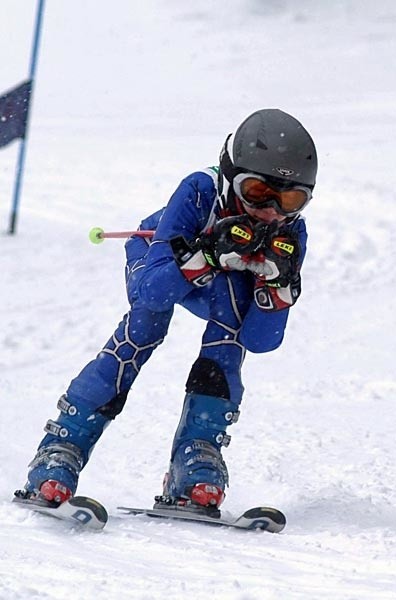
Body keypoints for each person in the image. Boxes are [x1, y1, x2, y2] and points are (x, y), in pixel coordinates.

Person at [16, 108, 317, 513]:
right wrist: (208, 254)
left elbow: (262, 341)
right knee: (145, 327)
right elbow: (149, 291)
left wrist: (277, 289)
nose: (272, 212)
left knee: (229, 327)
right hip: (160, 262)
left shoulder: (290, 230)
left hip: (222, 281)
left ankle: (196, 456)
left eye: (292, 199)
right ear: (231, 177)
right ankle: (63, 445)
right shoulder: (200, 190)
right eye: (258, 193)